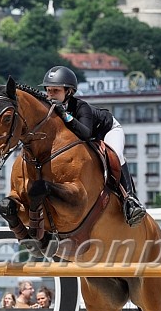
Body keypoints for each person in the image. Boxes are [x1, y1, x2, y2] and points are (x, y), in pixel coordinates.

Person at [42, 65, 146, 227]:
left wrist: (65, 116)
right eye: (49, 90)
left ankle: (131, 200)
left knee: (116, 155)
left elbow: (85, 133)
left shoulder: (81, 107)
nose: (51, 95)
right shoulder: (50, 108)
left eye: (56, 91)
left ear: (69, 91)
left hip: (107, 131)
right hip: (87, 138)